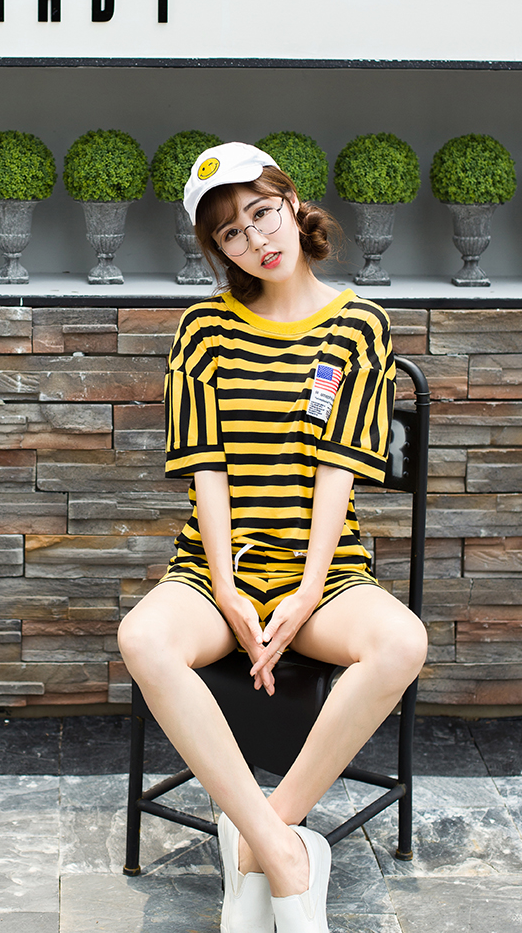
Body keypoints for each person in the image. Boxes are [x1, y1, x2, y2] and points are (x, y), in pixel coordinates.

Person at [118, 142, 428, 933]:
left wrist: (306, 590)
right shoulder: (204, 329)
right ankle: (288, 856)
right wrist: (225, 588)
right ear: (218, 250)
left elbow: (338, 472)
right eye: (231, 232)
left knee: (402, 642)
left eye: (262, 213)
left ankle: (260, 840)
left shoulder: (358, 326)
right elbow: (206, 470)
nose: (256, 239)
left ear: (291, 202)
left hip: (324, 572)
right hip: (213, 570)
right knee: (143, 639)